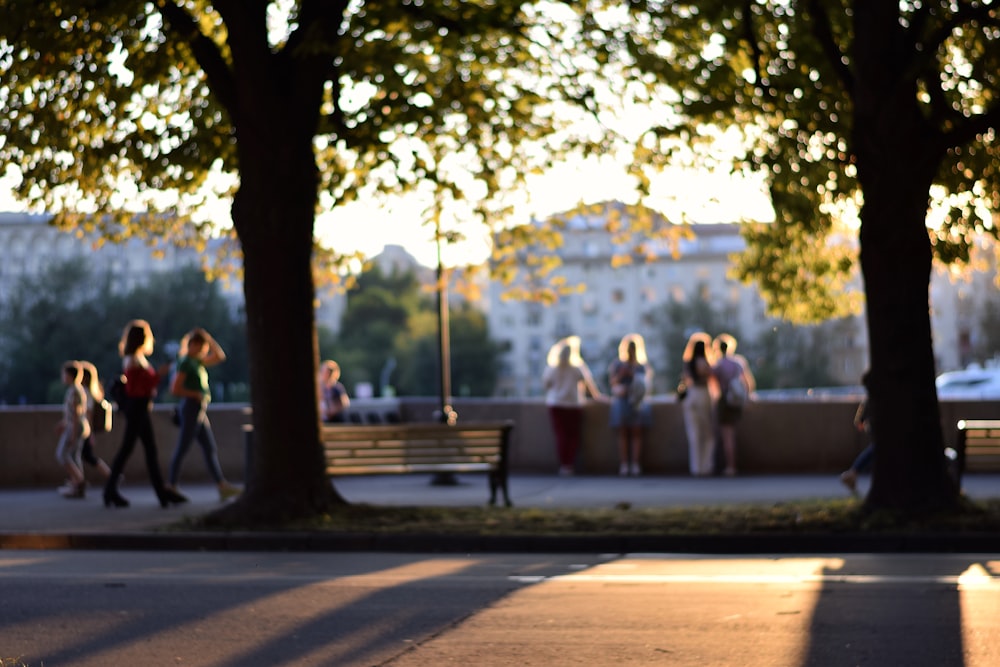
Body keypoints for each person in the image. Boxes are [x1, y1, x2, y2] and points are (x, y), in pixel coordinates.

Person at [103, 319, 187, 509]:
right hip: (138, 408)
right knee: (138, 450)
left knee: (138, 450)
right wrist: (158, 376)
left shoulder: (134, 359)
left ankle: (114, 491)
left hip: (138, 408)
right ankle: (157, 493)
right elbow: (136, 389)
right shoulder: (133, 360)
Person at [167, 328, 241, 501]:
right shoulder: (186, 362)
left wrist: (209, 338)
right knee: (183, 447)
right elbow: (175, 388)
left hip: (199, 409)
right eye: (200, 346)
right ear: (192, 345)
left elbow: (220, 357)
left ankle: (221, 485)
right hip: (191, 407)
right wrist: (195, 394)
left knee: (209, 448)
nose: (202, 351)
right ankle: (171, 485)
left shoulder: (197, 361)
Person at [542, 336, 603, 475]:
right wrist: (597, 397)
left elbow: (546, 385)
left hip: (556, 404)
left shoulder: (552, 368)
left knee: (561, 435)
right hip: (573, 405)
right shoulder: (577, 367)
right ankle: (569, 464)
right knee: (572, 436)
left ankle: (564, 464)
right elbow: (589, 385)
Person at [608, 333, 652, 476]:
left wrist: (633, 376)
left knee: (636, 433)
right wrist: (622, 375)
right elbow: (612, 382)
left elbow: (645, 385)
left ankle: (635, 463)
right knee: (623, 433)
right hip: (622, 401)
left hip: (637, 402)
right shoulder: (617, 364)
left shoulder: (641, 366)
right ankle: (624, 463)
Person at [712, 333, 755, 476]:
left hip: (725, 400)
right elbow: (748, 382)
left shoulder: (718, 365)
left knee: (727, 435)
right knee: (732, 433)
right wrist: (747, 397)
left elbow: (713, 384)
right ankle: (733, 464)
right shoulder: (738, 362)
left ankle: (731, 466)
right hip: (736, 399)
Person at [681, 332, 716, 476]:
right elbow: (711, 378)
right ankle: (706, 466)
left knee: (693, 433)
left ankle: (696, 467)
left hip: (690, 396)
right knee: (707, 433)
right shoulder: (703, 362)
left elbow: (685, 380)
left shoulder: (688, 363)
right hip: (702, 394)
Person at [54, 360, 90, 499]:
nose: (62, 377)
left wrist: (73, 433)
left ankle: (79, 481)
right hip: (75, 425)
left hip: (76, 427)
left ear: (70, 375)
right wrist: (63, 423)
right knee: (74, 456)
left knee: (62, 454)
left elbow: (76, 414)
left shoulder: (75, 391)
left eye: (64, 374)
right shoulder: (75, 390)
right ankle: (76, 485)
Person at [78, 360, 113, 484]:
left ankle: (111, 476)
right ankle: (77, 480)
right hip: (86, 430)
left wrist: (90, 433)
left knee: (85, 456)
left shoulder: (85, 394)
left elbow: (89, 414)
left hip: (85, 430)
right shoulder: (90, 393)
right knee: (84, 456)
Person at [841, 370, 874, 495]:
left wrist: (863, 424)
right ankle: (852, 472)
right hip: (878, 427)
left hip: (872, 427)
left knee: (875, 450)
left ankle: (853, 473)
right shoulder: (878, 398)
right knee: (876, 449)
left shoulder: (869, 399)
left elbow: (859, 420)